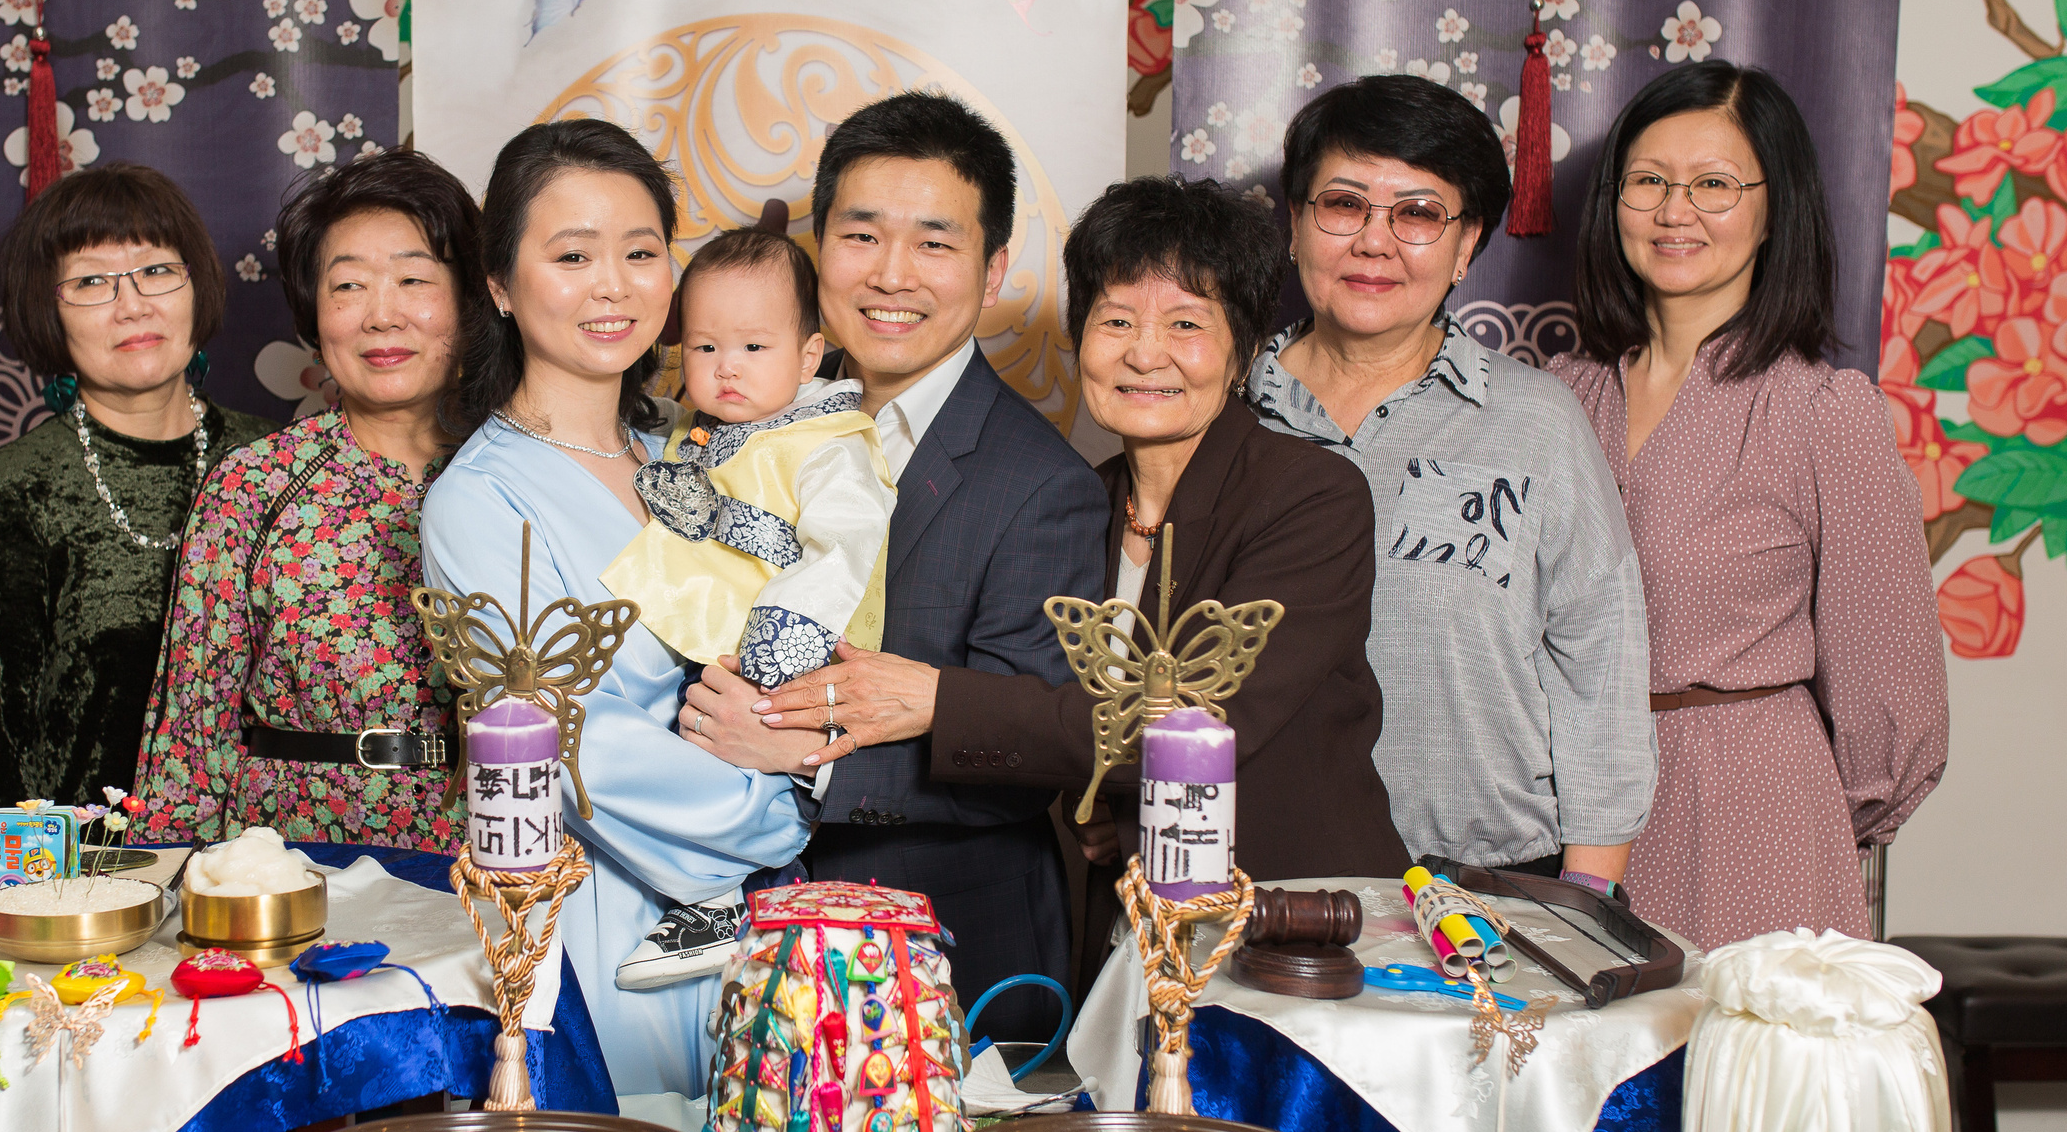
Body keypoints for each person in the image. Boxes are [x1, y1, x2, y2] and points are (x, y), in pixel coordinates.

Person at [751, 176, 1409, 969]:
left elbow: (1196, 727)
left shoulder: (1310, 497)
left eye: (1186, 324)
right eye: (1117, 320)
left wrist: (938, 700)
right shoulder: (1079, 501)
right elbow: (1075, 721)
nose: (1144, 352)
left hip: (1297, 926)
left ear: (1242, 352)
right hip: (1126, 932)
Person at [683, 91, 1110, 1043]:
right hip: (733, 930)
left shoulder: (1044, 485)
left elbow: (1035, 750)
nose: (891, 275)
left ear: (994, 269)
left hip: (942, 946)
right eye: (861, 236)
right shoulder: (733, 421)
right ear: (818, 248)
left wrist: (811, 763)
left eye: (935, 243)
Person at [420, 119, 810, 1097]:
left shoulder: (689, 452)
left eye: (641, 253)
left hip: (764, 923)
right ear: (501, 286)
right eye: (572, 255)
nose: (613, 284)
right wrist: (776, 810)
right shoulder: (479, 497)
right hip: (605, 916)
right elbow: (567, 745)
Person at [1552, 62, 1947, 947]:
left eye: (1714, 185)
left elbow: (1896, 683)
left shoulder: (1821, 410)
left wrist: (1797, 823)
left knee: (1730, 1080)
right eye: (1647, 181)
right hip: (1563, 813)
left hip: (1750, 809)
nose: (1673, 211)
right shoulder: (1558, 398)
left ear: (1776, 209)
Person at [1243, 74, 1654, 891]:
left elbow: (1599, 657)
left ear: (1467, 247)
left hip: (1492, 881)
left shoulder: (1537, 420)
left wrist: (1587, 893)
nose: (1373, 242)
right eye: (1343, 204)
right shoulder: (1224, 410)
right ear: (1294, 223)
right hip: (1258, 879)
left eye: (1419, 214)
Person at [132, 150, 474, 848]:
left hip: (489, 855)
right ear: (313, 314)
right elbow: (191, 734)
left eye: (413, 279)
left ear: (472, 299)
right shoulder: (252, 486)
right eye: (347, 286)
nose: (382, 316)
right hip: (294, 863)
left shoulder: (521, 475)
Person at [600, 226, 895, 990]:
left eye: (755, 350)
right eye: (704, 349)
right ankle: (714, 895)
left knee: (750, 766)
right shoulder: (708, 431)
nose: (727, 369)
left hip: (792, 645)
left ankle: (737, 900)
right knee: (687, 746)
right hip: (716, 628)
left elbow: (844, 547)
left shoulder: (828, 441)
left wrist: (782, 643)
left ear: (807, 356)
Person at [0, 164, 274, 818]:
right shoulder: (17, 488)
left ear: (196, 285)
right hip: (91, 888)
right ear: (47, 307)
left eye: (156, 271)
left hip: (275, 870)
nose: (133, 305)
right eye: (91, 281)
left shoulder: (274, 461)